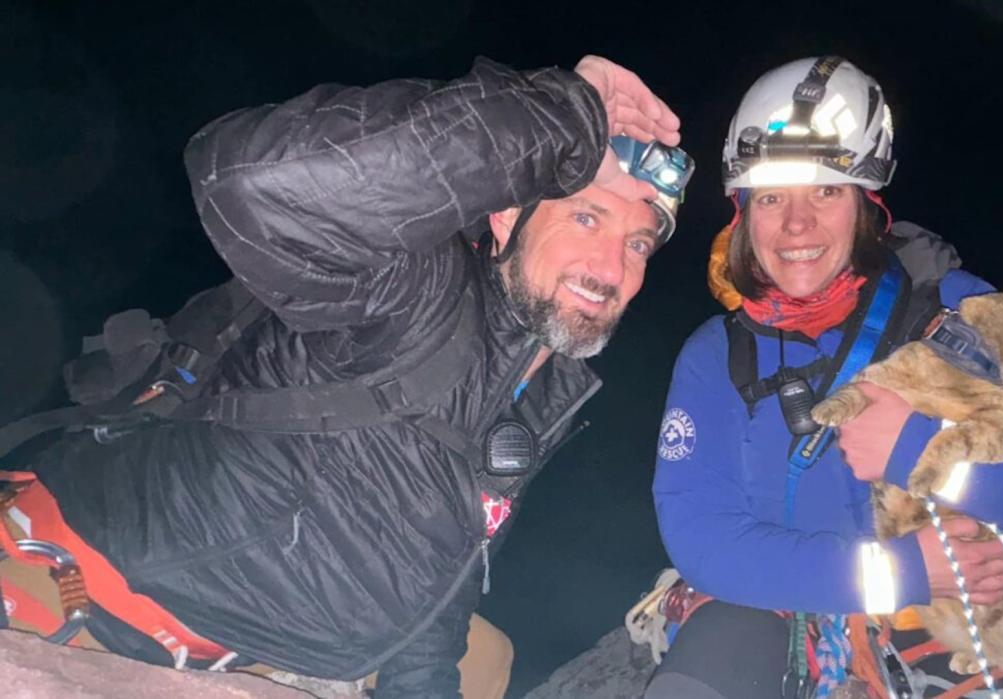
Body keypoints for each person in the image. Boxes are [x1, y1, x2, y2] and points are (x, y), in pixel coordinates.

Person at [0, 54, 689, 698]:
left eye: (637, 242)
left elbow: (442, 567)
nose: (612, 266)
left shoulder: (537, 386)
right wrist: (554, 113)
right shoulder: (411, 284)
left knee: (487, 657)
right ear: (507, 218)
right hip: (94, 592)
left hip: (273, 640)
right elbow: (245, 181)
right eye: (586, 217)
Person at [645, 56, 1003, 698]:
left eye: (826, 191)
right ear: (742, 215)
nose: (796, 224)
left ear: (866, 205)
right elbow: (701, 540)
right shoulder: (713, 356)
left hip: (954, 632)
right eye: (771, 196)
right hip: (784, 616)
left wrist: (921, 452)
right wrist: (899, 572)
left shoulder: (967, 317)